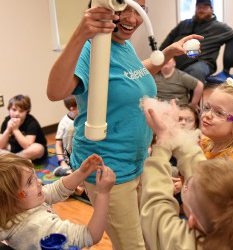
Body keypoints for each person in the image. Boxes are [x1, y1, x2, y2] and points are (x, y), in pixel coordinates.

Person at [47, 0, 203, 249]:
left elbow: (134, 73)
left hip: (138, 161)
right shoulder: (92, 47)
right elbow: (55, 92)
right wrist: (80, 33)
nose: (133, 18)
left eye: (140, 9)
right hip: (109, 171)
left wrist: (169, 53)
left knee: (152, 235)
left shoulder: (122, 45)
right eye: (125, 7)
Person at [140, 105, 233, 250]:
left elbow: (156, 204)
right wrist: (176, 135)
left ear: (192, 220)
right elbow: (207, 176)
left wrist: (161, 145)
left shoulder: (181, 243)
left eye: (187, 187)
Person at [0, 152, 115, 249]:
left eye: (35, 177)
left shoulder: (20, 206)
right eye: (30, 182)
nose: (39, 182)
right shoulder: (39, 227)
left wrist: (82, 172)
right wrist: (103, 194)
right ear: (10, 199)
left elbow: (56, 189)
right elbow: (90, 235)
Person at [159, 0, 233, 85]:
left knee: (195, 72)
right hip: (177, 61)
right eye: (198, 7)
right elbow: (167, 41)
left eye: (204, 7)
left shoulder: (219, 27)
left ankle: (192, 105)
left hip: (202, 62)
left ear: (211, 9)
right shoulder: (184, 24)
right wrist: (162, 56)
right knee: (157, 67)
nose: (201, 10)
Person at [0, 95, 47, 163]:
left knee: (38, 148)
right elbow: (1, 145)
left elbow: (26, 146)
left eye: (21, 111)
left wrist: (15, 129)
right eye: (14, 110)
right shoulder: (7, 121)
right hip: (15, 149)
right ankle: (14, 161)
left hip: (29, 151)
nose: (17, 113)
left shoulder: (31, 122)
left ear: (27, 112)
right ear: (9, 109)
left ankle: (11, 161)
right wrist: (8, 129)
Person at [54, 95, 78, 176]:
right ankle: (66, 170)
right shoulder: (64, 122)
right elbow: (58, 144)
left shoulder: (84, 119)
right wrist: (62, 162)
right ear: (72, 108)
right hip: (70, 157)